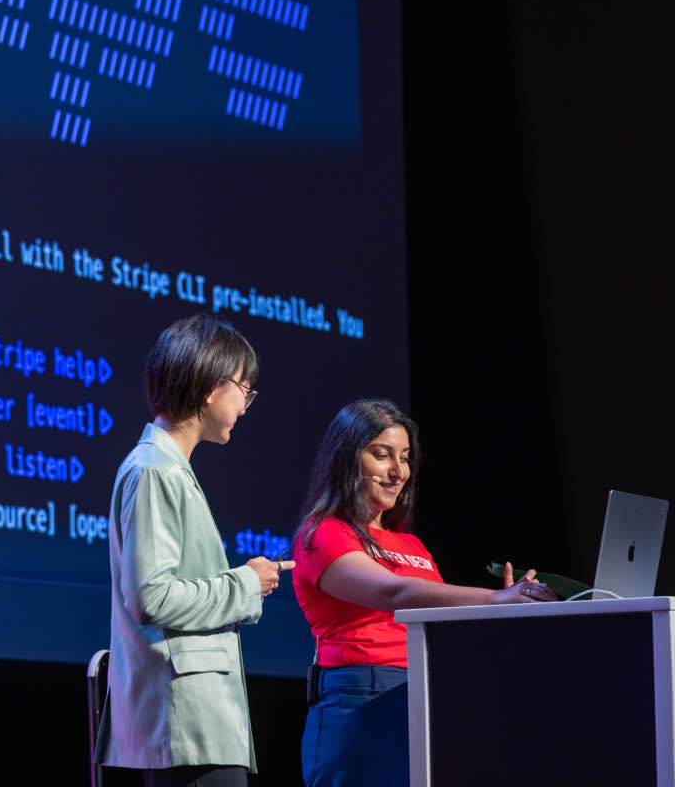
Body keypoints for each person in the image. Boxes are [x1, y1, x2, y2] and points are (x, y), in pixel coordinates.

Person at [291, 398, 556, 787]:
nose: (398, 471)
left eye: (405, 457)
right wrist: (493, 599)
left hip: (428, 698)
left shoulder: (412, 545)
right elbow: (393, 593)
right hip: (362, 704)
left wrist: (508, 610)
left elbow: (441, 623)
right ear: (347, 460)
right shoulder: (324, 532)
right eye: (382, 456)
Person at [96, 315, 294, 787]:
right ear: (210, 387)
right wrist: (246, 582)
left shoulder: (165, 467)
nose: (246, 404)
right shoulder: (155, 470)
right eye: (244, 388)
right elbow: (151, 596)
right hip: (186, 722)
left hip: (193, 720)